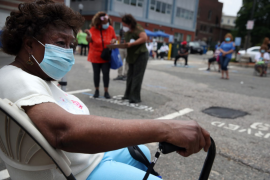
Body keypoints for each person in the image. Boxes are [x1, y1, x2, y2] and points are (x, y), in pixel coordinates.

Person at [0, 1, 211, 180]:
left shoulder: (37, 76)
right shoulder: (16, 78)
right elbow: (63, 132)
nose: (68, 52)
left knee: (144, 153)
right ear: (28, 44)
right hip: (83, 171)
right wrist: (164, 128)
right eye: (60, 43)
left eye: (70, 45)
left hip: (89, 157)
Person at [85, 12, 117, 99]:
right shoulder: (93, 29)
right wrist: (88, 35)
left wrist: (114, 41)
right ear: (99, 21)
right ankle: (97, 90)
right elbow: (89, 40)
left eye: (107, 21)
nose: (106, 24)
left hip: (106, 55)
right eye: (104, 22)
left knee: (106, 73)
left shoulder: (111, 29)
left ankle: (106, 91)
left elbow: (115, 38)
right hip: (95, 55)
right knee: (96, 73)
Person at [121, 14, 149, 103]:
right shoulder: (127, 31)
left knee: (137, 76)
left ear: (130, 23)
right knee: (130, 75)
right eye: (123, 25)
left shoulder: (138, 28)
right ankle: (128, 95)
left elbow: (144, 38)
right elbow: (126, 42)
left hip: (140, 55)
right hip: (132, 55)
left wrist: (132, 44)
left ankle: (135, 97)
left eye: (125, 25)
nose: (124, 27)